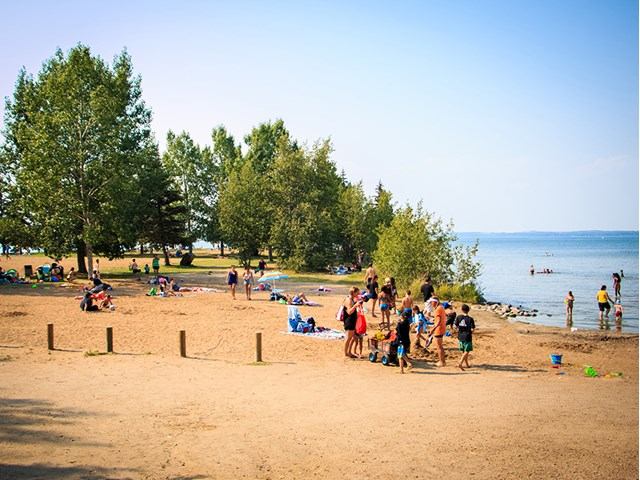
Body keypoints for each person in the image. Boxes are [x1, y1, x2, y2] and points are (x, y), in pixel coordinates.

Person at [343, 286, 362, 358]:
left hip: (352, 320)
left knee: (352, 338)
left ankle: (349, 352)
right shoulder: (348, 300)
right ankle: (346, 353)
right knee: (348, 338)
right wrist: (355, 306)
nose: (358, 294)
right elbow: (349, 312)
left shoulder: (352, 299)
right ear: (353, 293)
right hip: (349, 320)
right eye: (357, 292)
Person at [454, 304, 475, 370]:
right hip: (467, 336)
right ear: (468, 310)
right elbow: (473, 329)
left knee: (464, 351)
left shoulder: (459, 317)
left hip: (460, 336)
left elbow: (455, 326)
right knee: (467, 351)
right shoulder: (470, 319)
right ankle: (460, 362)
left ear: (462, 310)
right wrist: (471, 332)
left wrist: (459, 330)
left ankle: (467, 364)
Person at [429, 297, 447, 367]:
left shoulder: (438, 309)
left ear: (435, 302)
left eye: (432, 302)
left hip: (439, 329)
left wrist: (433, 329)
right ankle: (443, 361)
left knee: (439, 346)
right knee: (440, 346)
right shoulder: (441, 307)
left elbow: (438, 321)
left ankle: (441, 362)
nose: (431, 303)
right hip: (442, 328)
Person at [396, 309, 413, 373]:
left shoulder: (400, 324)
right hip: (406, 341)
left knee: (400, 355)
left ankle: (408, 364)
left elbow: (397, 331)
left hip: (401, 341)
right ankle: (401, 370)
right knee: (401, 355)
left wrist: (398, 323)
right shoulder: (407, 323)